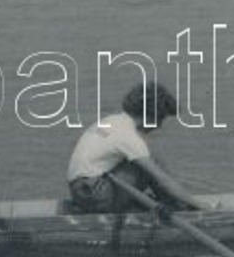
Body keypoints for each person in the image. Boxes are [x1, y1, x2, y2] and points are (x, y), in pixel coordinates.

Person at [66, 82, 199, 213]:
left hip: (79, 192)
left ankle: (161, 204)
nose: (159, 126)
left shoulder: (112, 121)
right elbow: (163, 180)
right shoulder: (130, 137)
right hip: (95, 194)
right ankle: (178, 207)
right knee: (150, 161)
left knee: (139, 160)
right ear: (149, 116)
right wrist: (201, 206)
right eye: (160, 119)